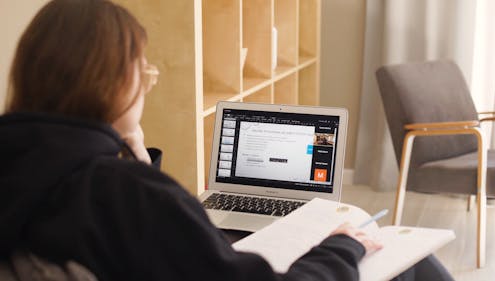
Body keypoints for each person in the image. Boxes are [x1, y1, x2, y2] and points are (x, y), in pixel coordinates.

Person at [0, 1, 455, 281]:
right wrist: (340, 246)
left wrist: (133, 148)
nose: (147, 86)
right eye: (145, 73)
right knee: (405, 263)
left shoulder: (30, 170)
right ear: (115, 82)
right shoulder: (126, 195)